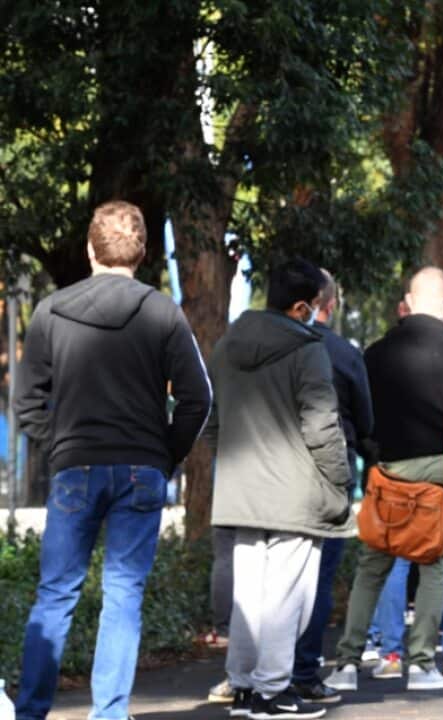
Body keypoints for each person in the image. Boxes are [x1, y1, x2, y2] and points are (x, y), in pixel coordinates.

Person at [14, 201, 212, 720]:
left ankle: (31, 711)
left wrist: (60, 443)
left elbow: (26, 403)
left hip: (75, 466)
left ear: (88, 249)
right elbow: (197, 398)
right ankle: (108, 713)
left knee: (56, 593)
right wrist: (164, 454)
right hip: (141, 468)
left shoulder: (50, 312)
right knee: (123, 594)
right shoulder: (162, 312)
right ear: (143, 252)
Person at [326, 267, 443, 694]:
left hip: (389, 469)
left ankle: (346, 662)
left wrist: (375, 454)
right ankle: (420, 665)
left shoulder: (375, 353)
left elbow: (359, 417)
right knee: (436, 562)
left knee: (374, 564)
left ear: (409, 301)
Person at [206, 257, 353, 719]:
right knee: (288, 597)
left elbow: (211, 421)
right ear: (301, 306)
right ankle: (272, 691)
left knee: (249, 596)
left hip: (240, 490)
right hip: (295, 493)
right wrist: (340, 480)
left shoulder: (227, 345)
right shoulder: (308, 349)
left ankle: (246, 685)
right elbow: (322, 425)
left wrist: (228, 463)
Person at [290, 270, 374, 701]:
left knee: (272, 575)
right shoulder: (343, 352)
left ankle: (260, 672)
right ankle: (304, 668)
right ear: (330, 304)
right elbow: (365, 417)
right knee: (318, 578)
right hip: (332, 472)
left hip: (278, 469)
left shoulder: (272, 348)